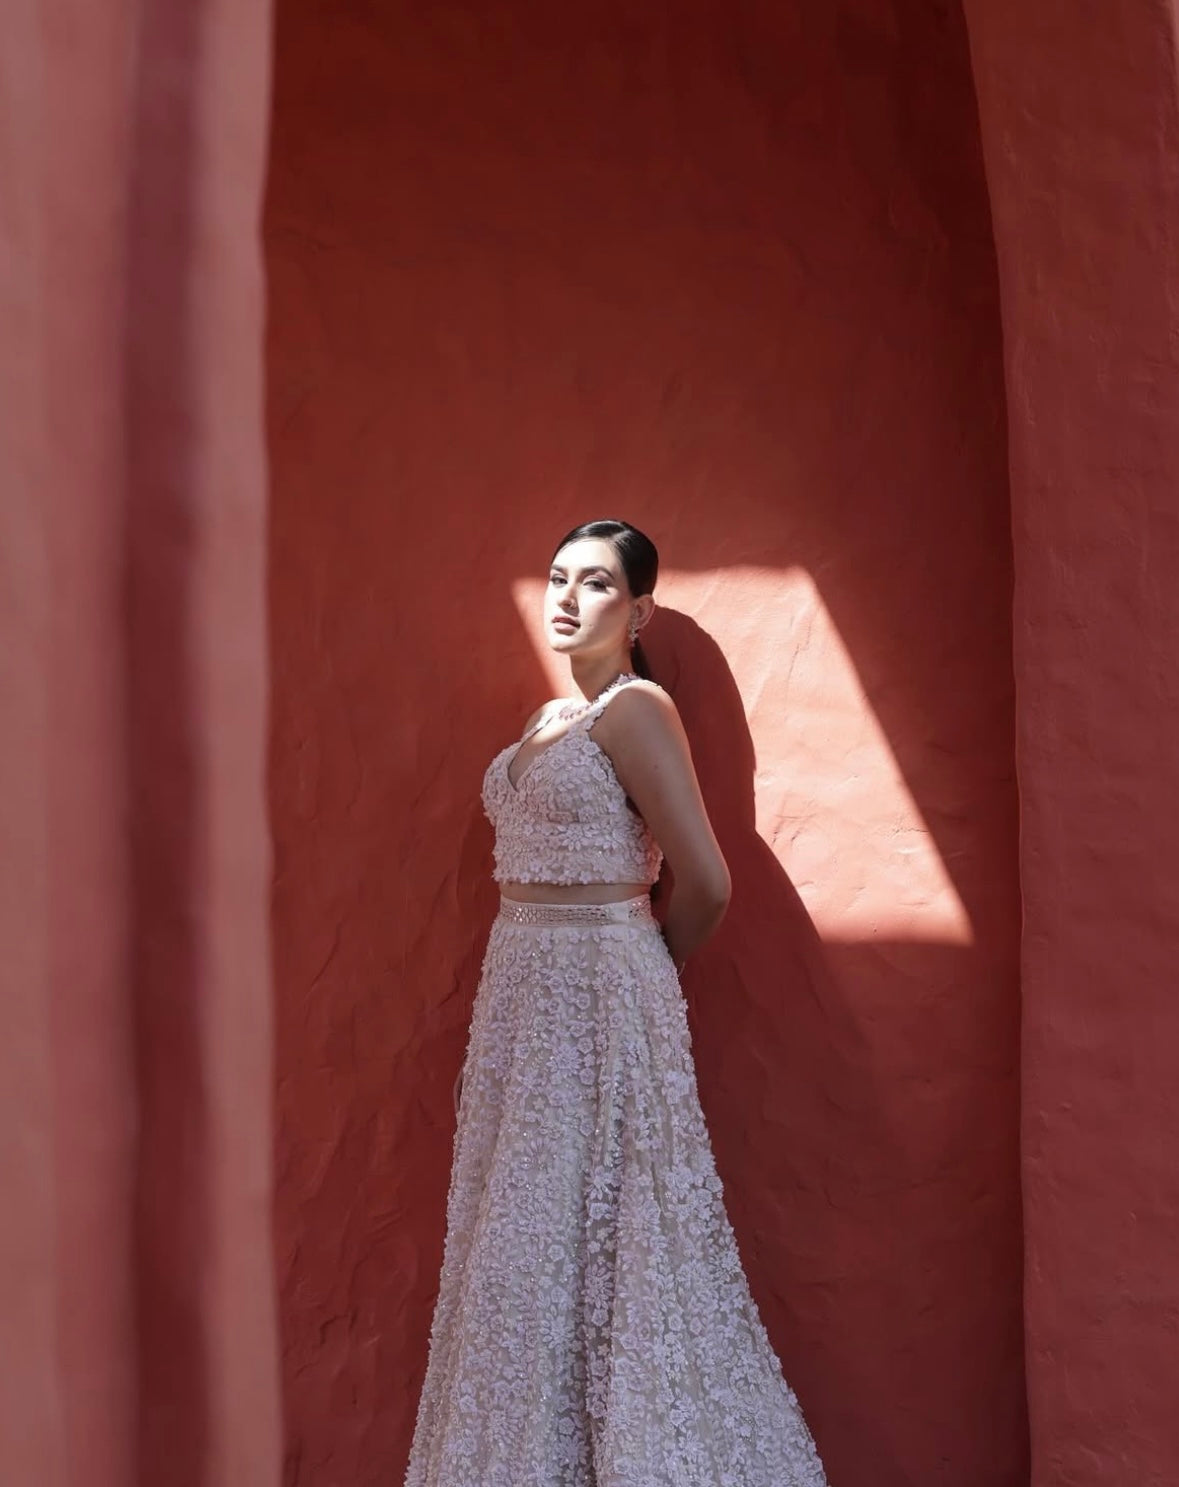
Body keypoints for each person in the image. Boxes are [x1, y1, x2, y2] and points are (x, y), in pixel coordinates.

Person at [404, 520, 828, 1486]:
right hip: (521, 991)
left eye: (593, 584)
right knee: (521, 1238)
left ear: (636, 609)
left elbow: (707, 880)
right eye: (556, 577)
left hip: (598, 990)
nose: (564, 597)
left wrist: (635, 977)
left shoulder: (637, 710)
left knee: (597, 1235)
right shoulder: (548, 722)